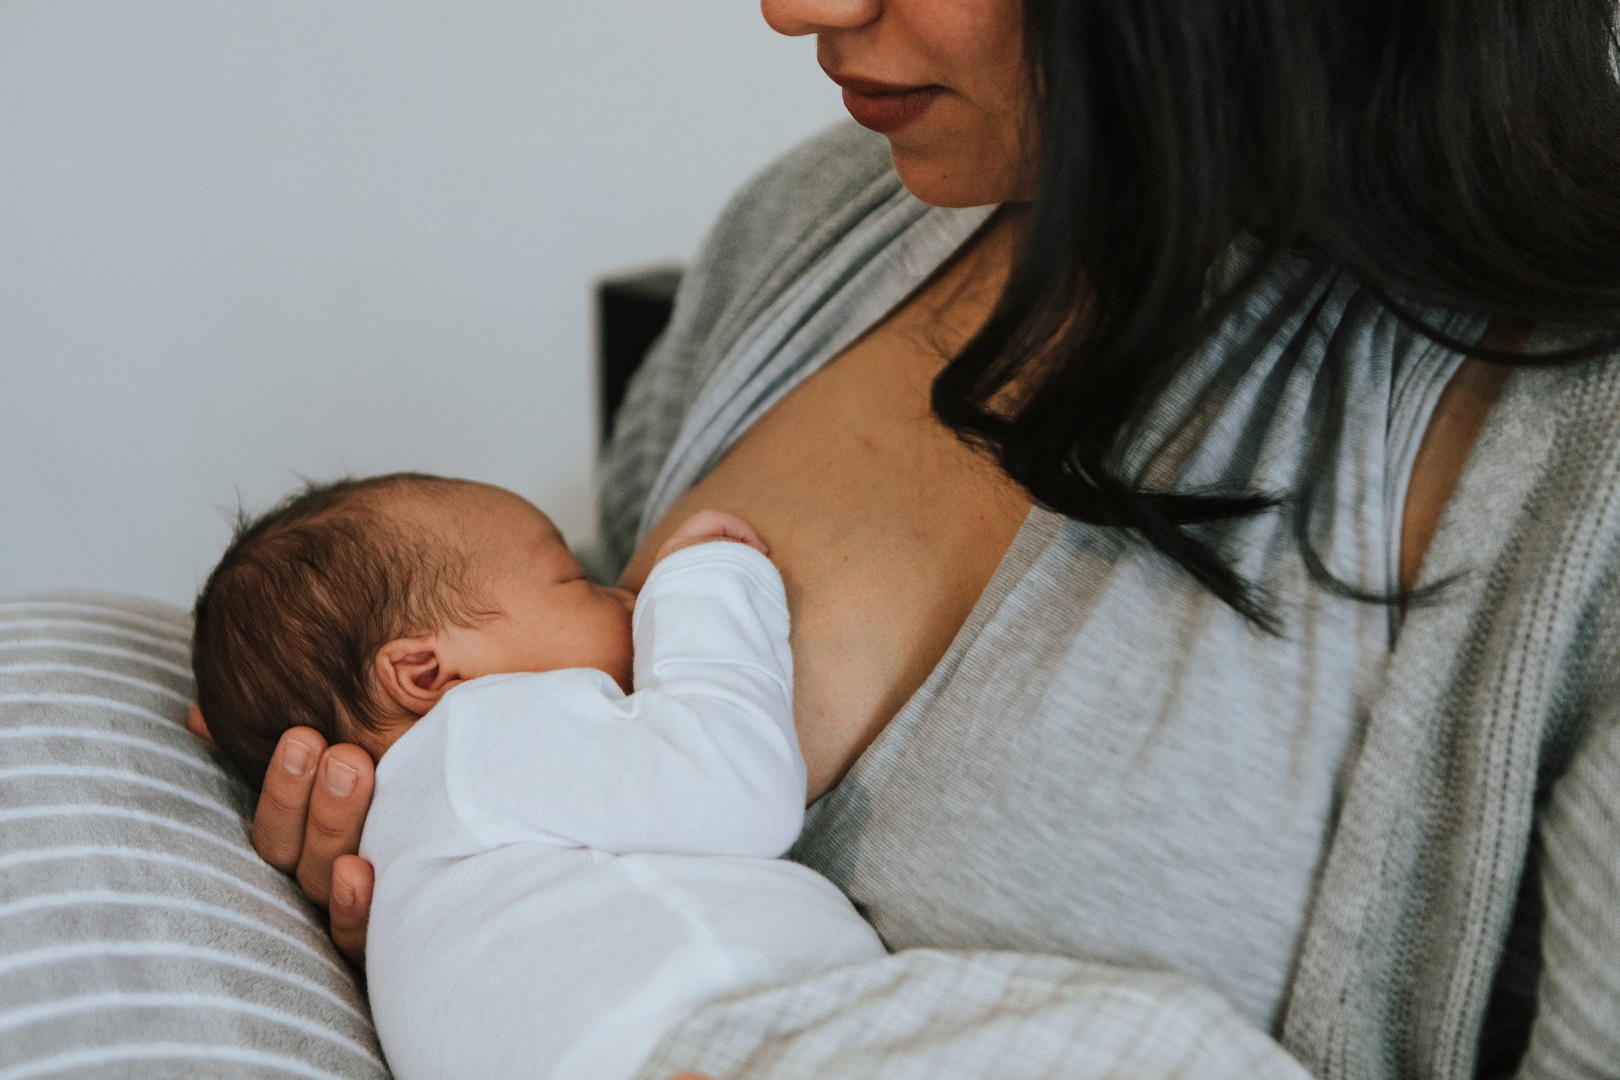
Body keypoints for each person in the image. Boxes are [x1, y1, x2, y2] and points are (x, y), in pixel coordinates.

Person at [230, 0, 1620, 1076]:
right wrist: (472, 924)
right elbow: (554, 639)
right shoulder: (815, 219)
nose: (791, 10)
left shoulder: (1573, 461)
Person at [188, 473, 884, 1080]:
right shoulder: (474, 734)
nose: (627, 597)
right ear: (427, 674)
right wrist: (708, 583)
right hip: (755, 1033)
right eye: (577, 580)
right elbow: (738, 790)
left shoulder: (412, 859)